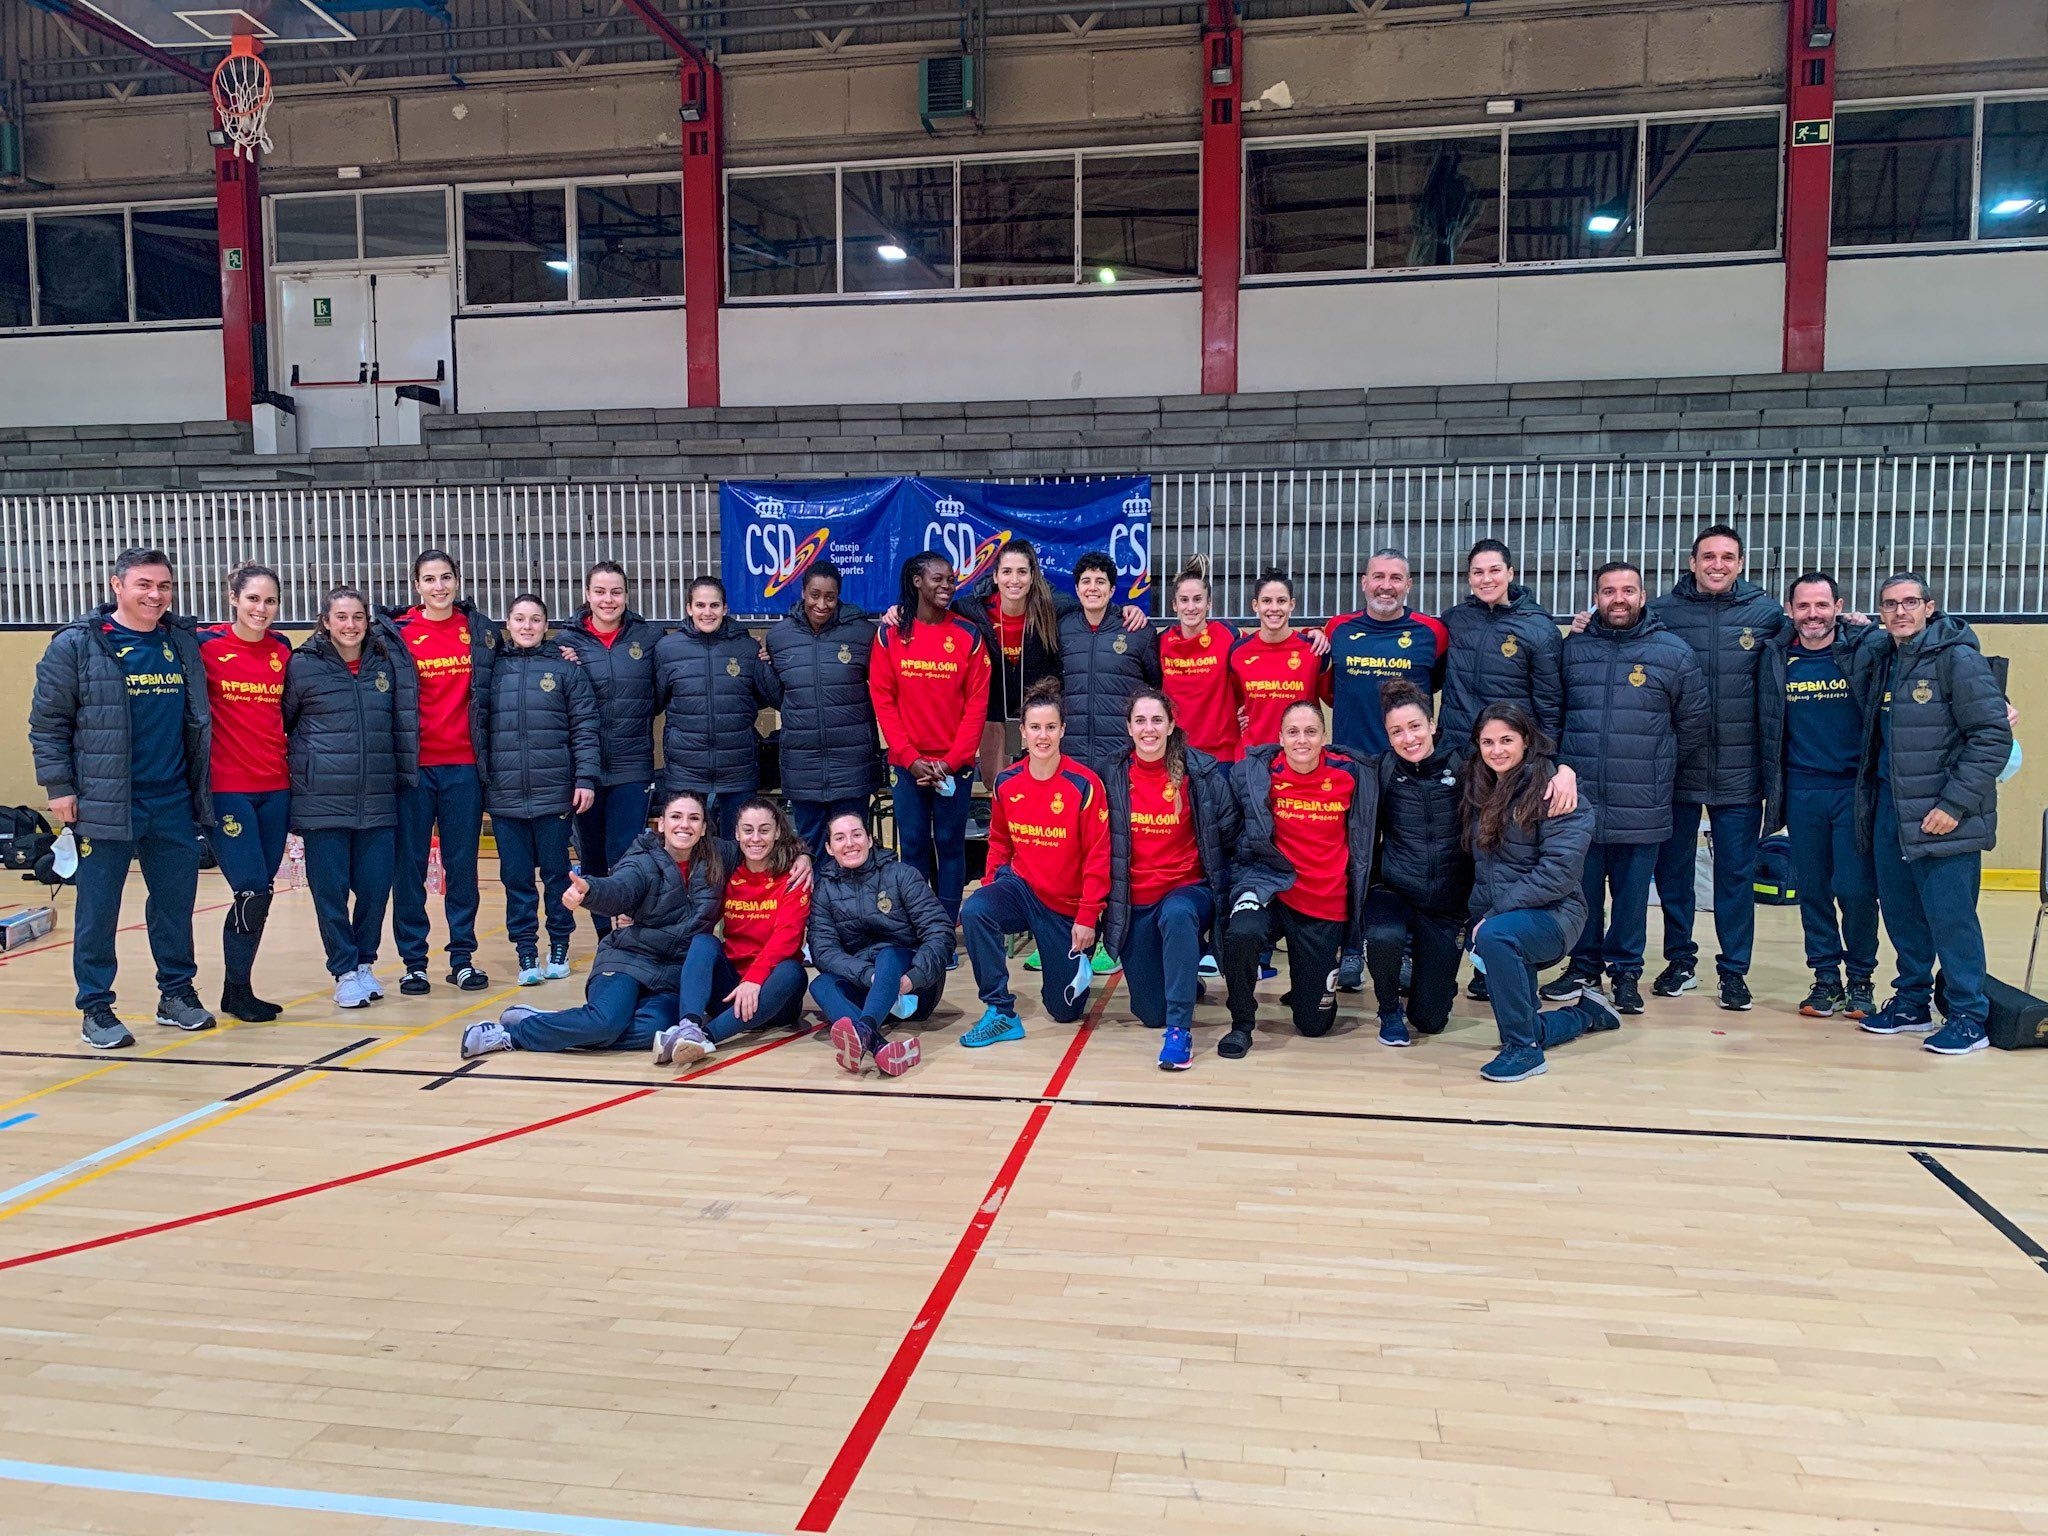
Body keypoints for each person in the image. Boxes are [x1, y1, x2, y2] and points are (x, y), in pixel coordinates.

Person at [29, 546, 216, 1048]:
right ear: (118, 586)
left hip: (172, 798)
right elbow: (48, 723)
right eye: (144, 585)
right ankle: (95, 1007)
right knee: (99, 907)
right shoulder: (77, 645)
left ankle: (175, 994)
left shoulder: (181, 642)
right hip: (105, 800)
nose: (155, 595)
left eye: (164, 586)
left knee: (175, 904)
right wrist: (60, 788)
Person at [1851, 573, 2012, 1055]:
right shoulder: (1884, 658)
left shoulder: (1957, 659)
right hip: (1891, 813)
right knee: (1902, 916)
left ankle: (1969, 1015)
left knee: (1951, 919)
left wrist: (1952, 805)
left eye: (1910, 603)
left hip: (1944, 817)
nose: (1900, 611)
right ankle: (1912, 1002)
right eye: (1889, 605)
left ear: (1930, 607)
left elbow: (1991, 737)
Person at [1544, 561, 1707, 1015]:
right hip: (1580, 800)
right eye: (1608, 590)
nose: (1618, 598)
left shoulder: (1673, 652)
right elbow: (1553, 715)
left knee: (1633, 897)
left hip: (1643, 799)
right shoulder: (1572, 649)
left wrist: (1659, 767)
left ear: (1642, 595)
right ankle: (1582, 968)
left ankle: (1626, 972)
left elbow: (1693, 724)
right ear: (1596, 597)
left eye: (1628, 590)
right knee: (1583, 892)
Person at [460, 790, 727, 1058]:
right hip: (628, 961)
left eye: (694, 818)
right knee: (606, 1023)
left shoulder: (717, 858)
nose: (684, 825)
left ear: (704, 828)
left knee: (654, 1031)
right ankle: (510, 1034)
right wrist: (589, 890)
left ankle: (562, 1021)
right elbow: (619, 888)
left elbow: (755, 847)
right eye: (676, 817)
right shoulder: (643, 861)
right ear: (661, 824)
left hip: (671, 977)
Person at [1646, 524, 1788, 1010]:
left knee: (1734, 874)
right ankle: (1680, 960)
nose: (1717, 565)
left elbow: (1819, 640)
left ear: (1741, 564)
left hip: (1740, 768)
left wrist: (1852, 626)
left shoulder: (1767, 614)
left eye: (1728, 557)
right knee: (1674, 871)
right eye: (1708, 556)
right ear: (1692, 562)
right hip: (1679, 766)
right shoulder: (1661, 612)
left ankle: (1733, 971)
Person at [1464, 704, 1620, 1082]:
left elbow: (1557, 875)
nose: (1497, 750)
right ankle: (1585, 1015)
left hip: (1555, 915)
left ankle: (1525, 1054)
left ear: (1527, 742)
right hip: (1506, 915)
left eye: (1507, 740)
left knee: (1495, 936)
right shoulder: (1482, 786)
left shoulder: (1556, 793)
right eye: (1488, 742)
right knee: (1523, 1023)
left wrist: (1491, 917)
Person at [284, 585, 418, 1008]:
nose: (350, 625)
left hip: (378, 797)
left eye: (358, 617)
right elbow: (284, 723)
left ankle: (364, 963)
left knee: (376, 889)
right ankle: (342, 969)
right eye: (341, 617)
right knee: (331, 893)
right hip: (322, 801)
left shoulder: (386, 663)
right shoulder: (302, 666)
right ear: (326, 622)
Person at [959, 681, 1112, 1047]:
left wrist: (1088, 917)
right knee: (977, 910)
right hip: (1023, 890)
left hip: (1066, 909)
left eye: (1050, 727)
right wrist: (992, 882)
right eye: (1035, 728)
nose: (1042, 736)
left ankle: (1078, 962)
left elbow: (1098, 855)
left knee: (1063, 1012)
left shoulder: (1084, 784)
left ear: (1062, 730)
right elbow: (999, 839)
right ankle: (1000, 1011)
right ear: (1023, 733)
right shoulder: (1007, 783)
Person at [1220, 700, 1374, 1059]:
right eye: (1292, 732)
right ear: (1280, 738)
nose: (1301, 740)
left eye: (1310, 731)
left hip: (1324, 901)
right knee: (1242, 932)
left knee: (1314, 1025)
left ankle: (1306, 985)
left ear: (1325, 736)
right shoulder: (1257, 772)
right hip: (1273, 888)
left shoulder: (1353, 773)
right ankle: (1242, 1023)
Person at [1100, 688, 1240, 1070]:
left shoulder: (1202, 773)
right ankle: (1183, 982)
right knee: (1149, 1012)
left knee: (1178, 916)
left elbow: (1229, 837)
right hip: (1134, 901)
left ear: (1171, 724)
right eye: (1141, 721)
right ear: (1128, 728)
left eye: (1157, 720)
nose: (1149, 729)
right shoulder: (1110, 774)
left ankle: (1179, 1033)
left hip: (1187, 891)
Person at [1761, 573, 1880, 1020]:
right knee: (1812, 891)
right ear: (1789, 610)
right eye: (1804, 606)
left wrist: (1999, 701)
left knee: (1855, 889)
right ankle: (1826, 978)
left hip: (1853, 790)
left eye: (1822, 605)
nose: (1813, 614)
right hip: (1802, 790)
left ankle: (1862, 981)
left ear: (1838, 606)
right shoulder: (1776, 656)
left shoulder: (1865, 650)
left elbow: (1929, 650)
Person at [381, 549, 497, 995]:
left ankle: (462, 957)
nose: (439, 587)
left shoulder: (480, 632)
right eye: (429, 579)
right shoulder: (396, 634)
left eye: (446, 577)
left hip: (464, 769)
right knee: (407, 868)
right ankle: (413, 961)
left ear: (458, 580)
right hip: (413, 771)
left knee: (461, 866)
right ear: (416, 585)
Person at [869, 551, 990, 926]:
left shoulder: (968, 635)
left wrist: (950, 762)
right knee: (915, 845)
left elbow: (976, 707)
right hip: (908, 766)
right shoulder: (890, 634)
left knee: (951, 845)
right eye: (938, 579)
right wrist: (909, 756)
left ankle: (945, 928)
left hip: (954, 766)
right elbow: (883, 700)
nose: (947, 586)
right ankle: (922, 929)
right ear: (917, 581)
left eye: (951, 579)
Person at [197, 562, 293, 1022]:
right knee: (250, 889)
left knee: (264, 891)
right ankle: (234, 989)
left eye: (270, 600)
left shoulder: (282, 649)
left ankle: (241, 990)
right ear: (233, 597)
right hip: (227, 788)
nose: (262, 608)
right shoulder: (205, 645)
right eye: (253, 598)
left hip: (275, 787)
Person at [486, 594, 599, 986]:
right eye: (520, 618)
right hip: (505, 796)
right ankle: (526, 953)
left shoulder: (565, 669)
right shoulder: (492, 668)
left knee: (556, 876)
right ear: (508, 622)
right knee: (516, 880)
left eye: (535, 619)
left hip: (555, 795)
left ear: (545, 625)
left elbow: (585, 727)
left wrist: (584, 778)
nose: (527, 626)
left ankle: (559, 946)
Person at [555, 562, 665, 939]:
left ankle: (627, 932)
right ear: (587, 595)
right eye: (600, 592)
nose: (608, 600)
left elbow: (661, 694)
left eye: (616, 592)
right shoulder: (564, 644)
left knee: (626, 855)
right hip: (584, 770)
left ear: (627, 596)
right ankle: (606, 936)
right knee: (592, 857)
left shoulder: (648, 638)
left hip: (632, 766)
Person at [1361, 681, 1474, 1047]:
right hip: (1395, 889)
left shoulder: (1464, 764)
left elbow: (1521, 759)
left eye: (1414, 727)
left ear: (1431, 725)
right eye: (1397, 731)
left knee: (1430, 1021)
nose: (1408, 738)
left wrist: (1564, 771)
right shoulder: (1382, 770)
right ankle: (1389, 1010)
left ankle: (1433, 977)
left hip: (1446, 902)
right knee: (1383, 935)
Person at [663, 797, 812, 1063]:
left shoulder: (793, 875)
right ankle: (689, 1025)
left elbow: (788, 937)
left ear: (778, 832)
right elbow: (694, 914)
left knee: (793, 972)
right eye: (748, 830)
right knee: (703, 942)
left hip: (771, 994)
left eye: (764, 830)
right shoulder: (726, 873)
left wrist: (754, 979)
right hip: (730, 990)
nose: (756, 838)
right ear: (736, 833)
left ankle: (705, 1037)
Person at [808, 810, 954, 1078]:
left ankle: (864, 1030)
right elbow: (824, 952)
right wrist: (869, 976)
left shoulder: (901, 875)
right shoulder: (825, 889)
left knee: (888, 955)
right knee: (820, 984)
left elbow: (940, 931)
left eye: (856, 834)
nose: (850, 843)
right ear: (829, 848)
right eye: (839, 838)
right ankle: (880, 1046)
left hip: (914, 989)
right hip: (868, 986)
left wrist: (913, 978)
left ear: (870, 839)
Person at [763, 562, 883, 858]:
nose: (821, 604)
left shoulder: (863, 634)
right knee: (809, 850)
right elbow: (780, 697)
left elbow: (883, 690)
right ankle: (814, 906)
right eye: (814, 595)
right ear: (803, 592)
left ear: (839, 596)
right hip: (803, 768)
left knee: (852, 849)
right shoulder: (779, 637)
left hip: (852, 766)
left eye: (830, 597)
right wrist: (760, 665)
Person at [654, 576, 772, 839]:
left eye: (714, 605)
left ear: (725, 609)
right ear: (689, 608)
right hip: (686, 770)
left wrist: (769, 663)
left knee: (737, 848)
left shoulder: (746, 647)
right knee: (688, 848)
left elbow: (767, 698)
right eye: (700, 605)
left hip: (737, 769)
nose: (707, 612)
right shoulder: (667, 649)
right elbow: (655, 701)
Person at [954, 540, 1065, 791]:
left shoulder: (1054, 608)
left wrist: (1125, 612)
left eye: (1022, 572)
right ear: (995, 576)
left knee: (1040, 789)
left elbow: (1093, 608)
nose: (1014, 580)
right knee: (999, 789)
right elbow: (932, 614)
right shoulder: (971, 610)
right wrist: (900, 611)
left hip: (1036, 718)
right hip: (993, 716)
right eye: (1006, 572)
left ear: (1033, 576)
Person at [1437, 538, 1564, 752]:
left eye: (1495, 570)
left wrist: (1547, 755)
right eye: (1478, 572)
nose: (1486, 579)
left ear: (1510, 573)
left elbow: (1549, 703)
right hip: (1456, 749)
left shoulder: (1540, 629)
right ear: (1469, 577)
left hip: (1508, 754)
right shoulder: (1453, 620)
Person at [1323, 548, 1448, 758]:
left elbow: (1437, 684)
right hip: (1351, 759)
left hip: (1409, 760)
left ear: (1408, 584)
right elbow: (1328, 691)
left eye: (1396, 578)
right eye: (1378, 577)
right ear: (1364, 582)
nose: (1386, 586)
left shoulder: (1434, 632)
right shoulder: (1336, 629)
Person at [1055, 550, 1160, 775]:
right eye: (1086, 581)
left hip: (1122, 757)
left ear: (1112, 590)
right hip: (1071, 755)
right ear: (1077, 589)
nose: (1092, 588)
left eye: (1100, 582)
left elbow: (1156, 687)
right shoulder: (1061, 630)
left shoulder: (1138, 631)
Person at [1156, 556, 1243, 764]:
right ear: (1174, 605)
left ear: (1209, 603)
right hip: (1176, 754)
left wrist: (1313, 634)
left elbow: (1263, 649)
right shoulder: (1161, 642)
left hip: (1221, 757)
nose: (1191, 607)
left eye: (1198, 599)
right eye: (1184, 600)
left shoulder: (1228, 635)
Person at [1229, 571, 1328, 747]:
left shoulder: (1314, 650)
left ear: (1292, 605)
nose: (1274, 608)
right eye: (1266, 601)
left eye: (1281, 601)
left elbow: (1331, 695)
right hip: (1252, 756)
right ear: (1255, 605)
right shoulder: (1238, 652)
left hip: (1299, 756)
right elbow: (1234, 701)